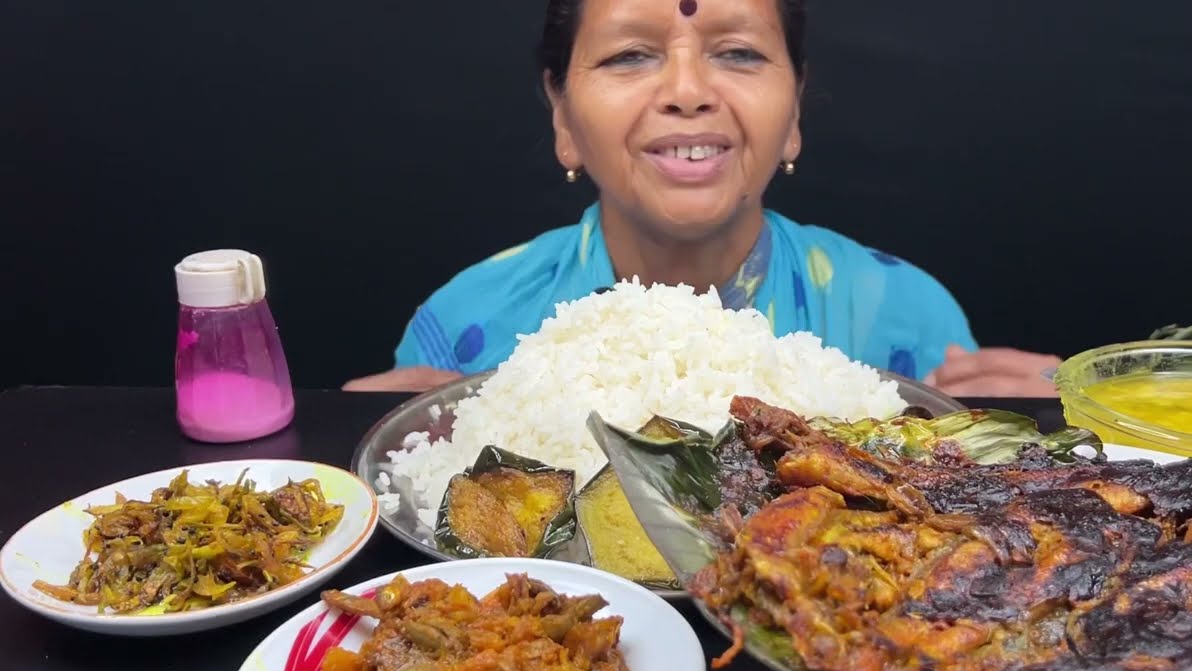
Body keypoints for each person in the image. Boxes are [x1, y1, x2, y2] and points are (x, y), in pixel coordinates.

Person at [345, 0, 1059, 397]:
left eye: (739, 53)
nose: (688, 93)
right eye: (630, 55)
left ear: (796, 111)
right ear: (562, 117)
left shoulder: (908, 320)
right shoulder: (465, 325)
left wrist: (1060, 450)